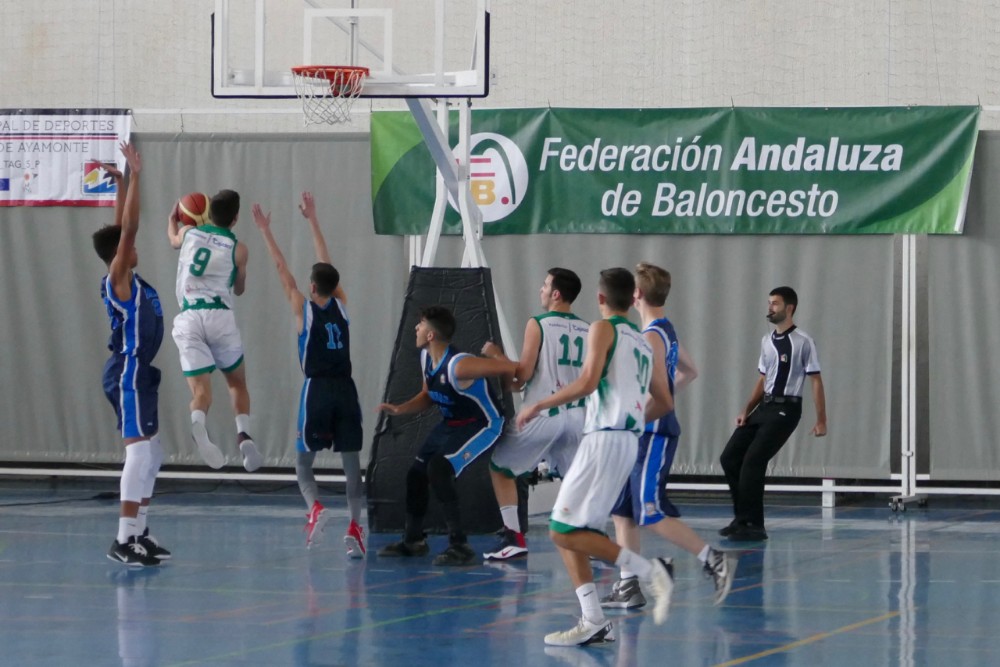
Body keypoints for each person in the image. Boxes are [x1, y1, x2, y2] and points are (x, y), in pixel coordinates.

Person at [516, 268, 675, 647]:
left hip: (603, 439)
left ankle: (649, 571)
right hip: (624, 440)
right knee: (570, 531)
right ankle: (593, 619)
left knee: (562, 531)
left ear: (601, 300)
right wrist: (632, 421)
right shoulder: (644, 341)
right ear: (631, 297)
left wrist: (539, 404)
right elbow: (665, 402)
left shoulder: (603, 329)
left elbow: (587, 382)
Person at [601, 262, 737, 611]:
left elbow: (661, 384)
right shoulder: (664, 330)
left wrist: (641, 412)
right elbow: (690, 371)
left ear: (636, 295)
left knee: (649, 511)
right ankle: (628, 585)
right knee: (622, 512)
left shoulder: (650, 336)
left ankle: (713, 559)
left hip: (653, 432)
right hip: (644, 431)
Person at [251, 193, 367, 555]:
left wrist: (265, 231)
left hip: (316, 390)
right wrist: (313, 220)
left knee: (303, 464)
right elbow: (325, 262)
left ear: (312, 287)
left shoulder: (303, 306)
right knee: (351, 465)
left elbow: (281, 268)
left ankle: (315, 508)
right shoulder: (342, 305)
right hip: (346, 391)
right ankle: (355, 529)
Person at [377, 306, 517, 566]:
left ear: (431, 335)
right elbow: (428, 395)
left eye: (420, 325)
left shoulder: (460, 365)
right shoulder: (425, 358)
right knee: (416, 473)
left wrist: (496, 354)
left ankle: (459, 544)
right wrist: (400, 409)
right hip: (452, 422)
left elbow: (509, 367)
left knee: (439, 468)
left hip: (483, 423)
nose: (416, 328)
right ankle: (413, 540)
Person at [93, 142, 170, 566]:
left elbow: (122, 227)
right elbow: (128, 230)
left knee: (154, 453)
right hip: (127, 371)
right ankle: (123, 539)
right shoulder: (117, 278)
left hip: (141, 372)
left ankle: (140, 533)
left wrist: (121, 182)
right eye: (126, 245)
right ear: (117, 255)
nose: (133, 245)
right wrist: (137, 177)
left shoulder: (130, 279)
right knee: (139, 453)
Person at [480, 268, 590, 560]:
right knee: (576, 481)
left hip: (543, 413)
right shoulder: (589, 329)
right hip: (578, 416)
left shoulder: (538, 323)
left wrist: (497, 357)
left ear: (556, 294)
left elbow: (523, 375)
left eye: (544, 285)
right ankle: (591, 541)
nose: (540, 290)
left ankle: (513, 537)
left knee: (500, 468)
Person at [719, 286, 827, 541]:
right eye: (769, 303)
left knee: (754, 460)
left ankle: (755, 524)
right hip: (764, 407)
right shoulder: (767, 341)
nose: (770, 308)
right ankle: (741, 518)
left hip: (786, 409)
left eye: (775, 304)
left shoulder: (802, 341)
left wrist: (821, 419)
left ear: (789, 308)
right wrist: (746, 409)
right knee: (730, 457)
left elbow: (815, 381)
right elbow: (763, 378)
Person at [168, 189, 262, 472]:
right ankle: (243, 433)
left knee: (200, 390)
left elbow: (173, 239)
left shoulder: (188, 234)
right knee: (236, 383)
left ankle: (199, 419)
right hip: (220, 316)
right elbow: (240, 289)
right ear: (235, 219)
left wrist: (172, 218)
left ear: (208, 213)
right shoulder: (240, 249)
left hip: (190, 316)